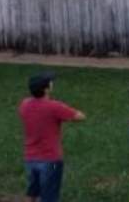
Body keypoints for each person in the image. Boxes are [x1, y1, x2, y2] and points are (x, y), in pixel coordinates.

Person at [18, 72, 85, 202]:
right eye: (50, 82)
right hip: (51, 160)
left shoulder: (24, 104)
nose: (51, 83)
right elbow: (80, 116)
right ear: (46, 89)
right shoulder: (54, 107)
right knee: (49, 195)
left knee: (32, 191)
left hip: (30, 158)